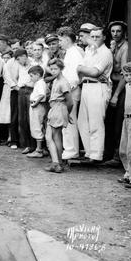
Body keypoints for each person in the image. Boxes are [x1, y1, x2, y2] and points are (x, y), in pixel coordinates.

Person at [77, 27, 113, 163]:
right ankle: (89, 152)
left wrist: (82, 69)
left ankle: (96, 155)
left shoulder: (105, 52)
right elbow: (83, 71)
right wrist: (84, 70)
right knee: (82, 121)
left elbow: (94, 72)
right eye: (92, 37)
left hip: (99, 88)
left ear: (104, 37)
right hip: (86, 86)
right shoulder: (89, 51)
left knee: (96, 122)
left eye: (97, 36)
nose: (94, 39)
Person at [57, 26, 84, 160]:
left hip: (71, 92)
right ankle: (69, 149)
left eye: (61, 40)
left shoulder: (74, 52)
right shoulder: (70, 52)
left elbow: (75, 76)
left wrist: (66, 90)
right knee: (66, 120)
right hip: (68, 91)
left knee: (70, 119)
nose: (59, 43)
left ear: (67, 39)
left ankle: (72, 150)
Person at [105, 20, 130, 165]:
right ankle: (110, 152)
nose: (115, 34)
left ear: (123, 32)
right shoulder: (114, 47)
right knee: (110, 119)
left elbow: (124, 75)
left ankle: (117, 156)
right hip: (112, 84)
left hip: (120, 87)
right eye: (113, 31)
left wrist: (115, 95)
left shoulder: (125, 48)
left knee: (118, 121)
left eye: (118, 31)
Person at [45, 59, 74, 173]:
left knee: (50, 137)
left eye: (55, 69)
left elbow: (70, 102)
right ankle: (58, 162)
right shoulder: (56, 80)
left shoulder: (63, 82)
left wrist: (67, 112)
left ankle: (56, 163)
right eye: (51, 69)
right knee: (56, 137)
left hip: (59, 108)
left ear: (61, 68)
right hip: (56, 108)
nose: (53, 71)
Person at [15, 48, 35, 153]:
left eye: (19, 59)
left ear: (24, 56)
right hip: (21, 91)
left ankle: (34, 145)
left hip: (31, 91)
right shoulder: (20, 66)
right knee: (22, 119)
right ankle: (27, 144)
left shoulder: (33, 64)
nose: (18, 61)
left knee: (30, 118)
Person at [27, 65, 48, 158]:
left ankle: (39, 150)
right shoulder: (39, 83)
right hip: (36, 105)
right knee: (38, 126)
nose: (30, 78)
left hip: (37, 106)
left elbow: (42, 95)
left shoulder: (40, 83)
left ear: (37, 75)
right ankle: (42, 148)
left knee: (36, 126)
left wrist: (35, 103)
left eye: (31, 76)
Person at [0, 50, 13, 143]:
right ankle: (5, 135)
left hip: (10, 89)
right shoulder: (1, 66)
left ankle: (11, 136)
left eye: (8, 57)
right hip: (3, 89)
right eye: (4, 58)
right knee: (4, 113)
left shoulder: (13, 66)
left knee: (10, 112)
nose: (6, 59)